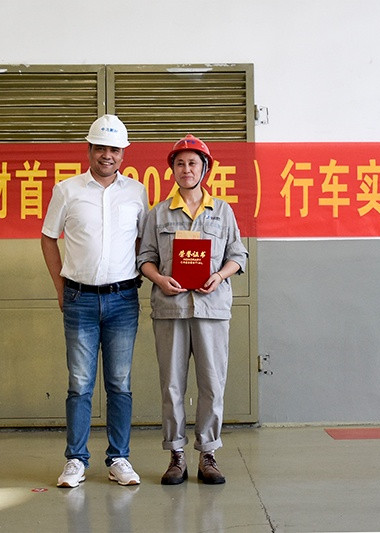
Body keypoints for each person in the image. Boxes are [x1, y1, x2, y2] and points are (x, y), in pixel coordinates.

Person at [41, 114, 149, 488]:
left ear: (123, 154)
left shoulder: (136, 192)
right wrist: (60, 288)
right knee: (80, 383)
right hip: (79, 299)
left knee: (119, 383)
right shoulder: (66, 190)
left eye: (114, 150)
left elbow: (142, 241)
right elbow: (48, 237)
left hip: (123, 300)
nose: (107, 155)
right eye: (101, 148)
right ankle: (75, 460)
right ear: (89, 150)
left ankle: (119, 458)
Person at [137, 134, 248, 485]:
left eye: (193, 163)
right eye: (180, 163)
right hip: (170, 309)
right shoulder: (158, 213)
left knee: (212, 384)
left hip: (211, 309)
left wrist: (219, 275)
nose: (187, 169)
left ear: (205, 169)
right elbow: (145, 258)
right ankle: (176, 455)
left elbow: (238, 255)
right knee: (172, 385)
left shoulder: (223, 212)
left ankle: (208, 454)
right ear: (172, 169)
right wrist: (160, 278)